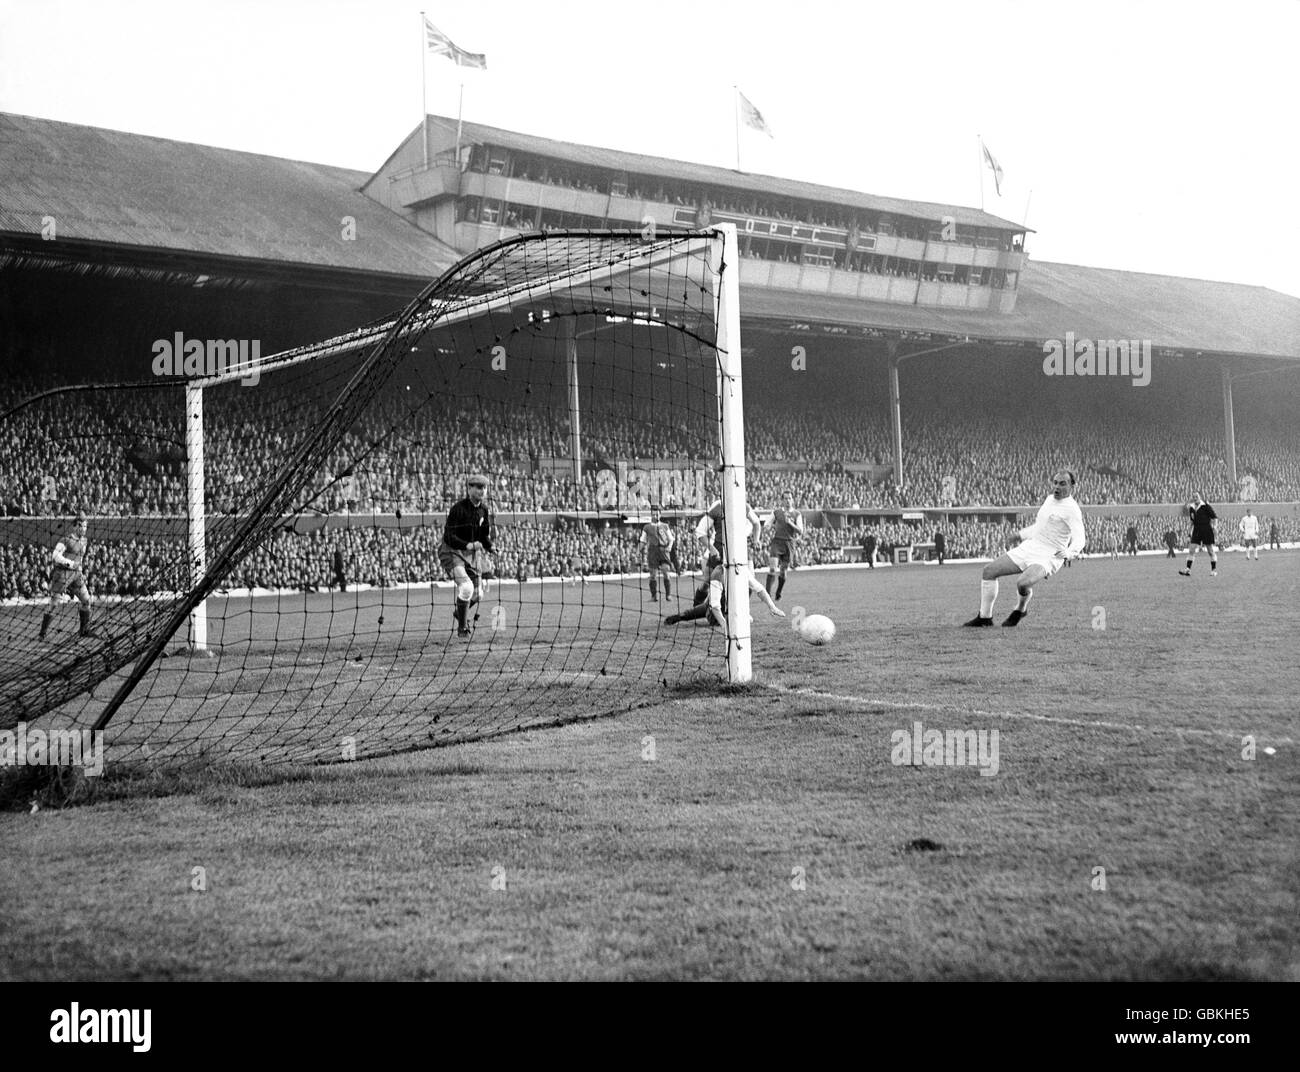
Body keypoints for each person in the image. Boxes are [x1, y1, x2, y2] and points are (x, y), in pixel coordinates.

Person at [963, 470, 1085, 628]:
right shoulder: (1049, 500)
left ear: (1072, 486)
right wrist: (1020, 535)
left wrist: (1069, 552)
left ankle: (1020, 609)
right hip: (1031, 546)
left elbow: (1080, 537)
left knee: (1022, 583)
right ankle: (985, 618)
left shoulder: (1072, 509)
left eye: (1062, 484)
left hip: (1050, 555)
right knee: (989, 571)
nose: (1057, 487)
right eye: (1055, 482)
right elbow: (1039, 527)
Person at [438, 474, 494, 637]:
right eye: (477, 487)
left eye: (484, 488)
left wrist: (490, 547)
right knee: (466, 587)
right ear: (469, 489)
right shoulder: (458, 509)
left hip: (471, 554)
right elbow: (448, 536)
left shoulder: (484, 510)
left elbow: (483, 536)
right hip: (452, 551)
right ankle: (462, 628)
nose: (481, 490)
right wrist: (467, 545)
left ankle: (459, 612)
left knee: (478, 594)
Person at [665, 560, 785, 627]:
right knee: (696, 612)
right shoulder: (718, 574)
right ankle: (679, 617)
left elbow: (759, 589)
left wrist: (772, 607)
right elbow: (715, 605)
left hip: (722, 606)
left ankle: (679, 616)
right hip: (714, 611)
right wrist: (724, 624)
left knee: (692, 613)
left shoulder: (742, 569)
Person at [39, 512, 97, 639]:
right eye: (81, 526)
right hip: (62, 574)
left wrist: (79, 568)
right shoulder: (66, 540)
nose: (83, 528)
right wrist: (70, 564)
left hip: (76, 575)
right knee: (54, 605)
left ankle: (84, 631)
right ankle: (42, 633)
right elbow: (55, 556)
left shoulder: (85, 541)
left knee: (86, 601)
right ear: (74, 527)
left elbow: (80, 559)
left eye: (85, 526)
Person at [764, 494, 804, 602]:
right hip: (777, 542)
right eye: (785, 498)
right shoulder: (776, 512)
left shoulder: (797, 514)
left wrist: (790, 523)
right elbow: (767, 524)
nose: (788, 501)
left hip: (789, 544)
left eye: (790, 498)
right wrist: (768, 527)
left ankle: (778, 592)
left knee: (783, 571)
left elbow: (800, 531)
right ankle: (767, 594)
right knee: (772, 568)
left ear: (792, 500)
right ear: (782, 500)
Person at [1178, 493, 1218, 578]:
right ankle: (1188, 570)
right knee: (1191, 550)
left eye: (1197, 497)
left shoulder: (1206, 506)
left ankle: (1213, 570)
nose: (1195, 498)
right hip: (1196, 530)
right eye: (1194, 497)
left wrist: (1214, 527)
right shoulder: (1192, 508)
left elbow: (1214, 517)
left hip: (1206, 529)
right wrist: (1189, 533)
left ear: (1200, 498)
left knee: (1210, 551)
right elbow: (1192, 522)